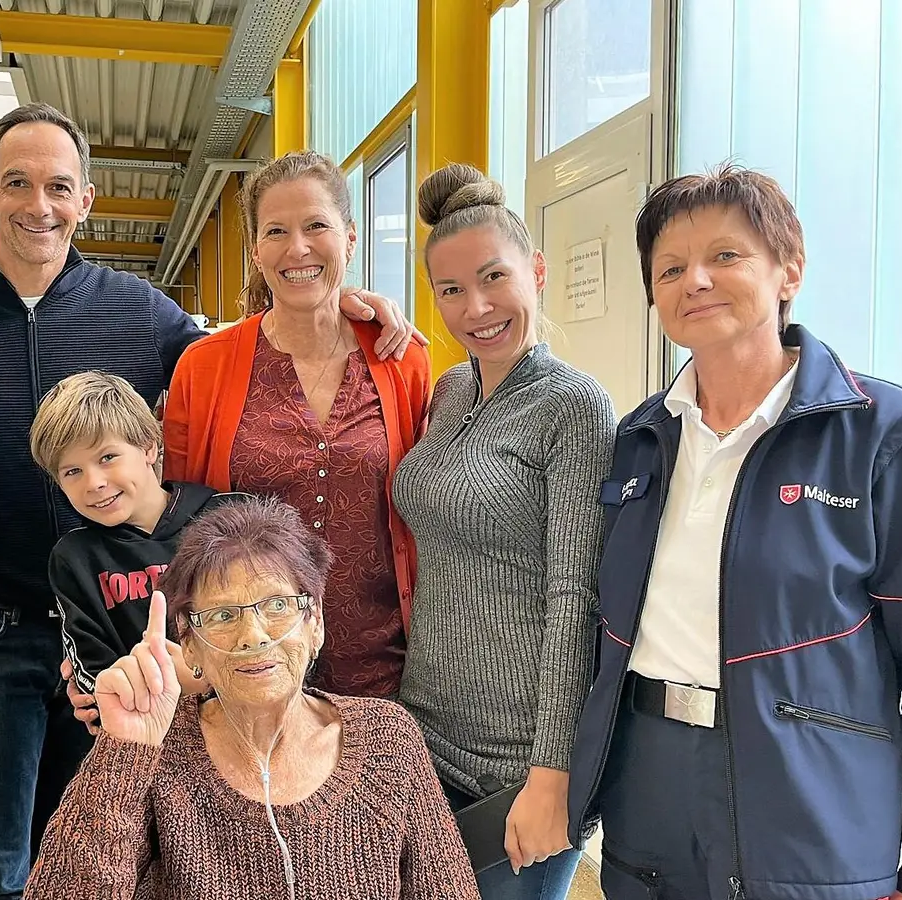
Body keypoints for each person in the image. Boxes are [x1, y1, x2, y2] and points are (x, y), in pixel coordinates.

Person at [0, 104, 421, 900]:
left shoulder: (145, 314)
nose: (40, 204)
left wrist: (350, 303)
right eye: (18, 183)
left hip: (120, 630)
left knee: (105, 847)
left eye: (59, 186)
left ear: (87, 199)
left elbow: (253, 345)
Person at [566, 164, 902, 900]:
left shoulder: (888, 437)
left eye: (726, 256)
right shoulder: (640, 440)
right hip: (651, 797)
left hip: (807, 802)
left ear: (788, 268)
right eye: (670, 268)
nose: (695, 280)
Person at [25, 495, 482, 900]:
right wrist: (124, 750)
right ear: (190, 644)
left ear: (316, 623)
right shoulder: (155, 754)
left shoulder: (389, 738)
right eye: (223, 615)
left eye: (278, 605)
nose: (253, 636)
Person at [392, 164, 614, 900]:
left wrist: (552, 775)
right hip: (424, 736)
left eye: (494, 278)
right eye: (450, 291)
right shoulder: (451, 391)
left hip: (519, 766)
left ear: (537, 271)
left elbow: (575, 596)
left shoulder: (574, 407)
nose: (475, 307)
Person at [163, 150, 432, 700]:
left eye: (316, 226)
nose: (298, 248)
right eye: (276, 231)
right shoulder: (205, 366)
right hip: (247, 663)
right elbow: (177, 523)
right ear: (256, 252)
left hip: (381, 664)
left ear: (350, 238)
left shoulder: (400, 359)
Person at [29, 371, 240, 700]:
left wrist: (207, 681)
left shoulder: (234, 518)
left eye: (107, 458)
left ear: (149, 448)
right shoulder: (75, 560)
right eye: (73, 471)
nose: (94, 482)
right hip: (146, 733)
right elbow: (91, 671)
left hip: (252, 721)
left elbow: (289, 624)